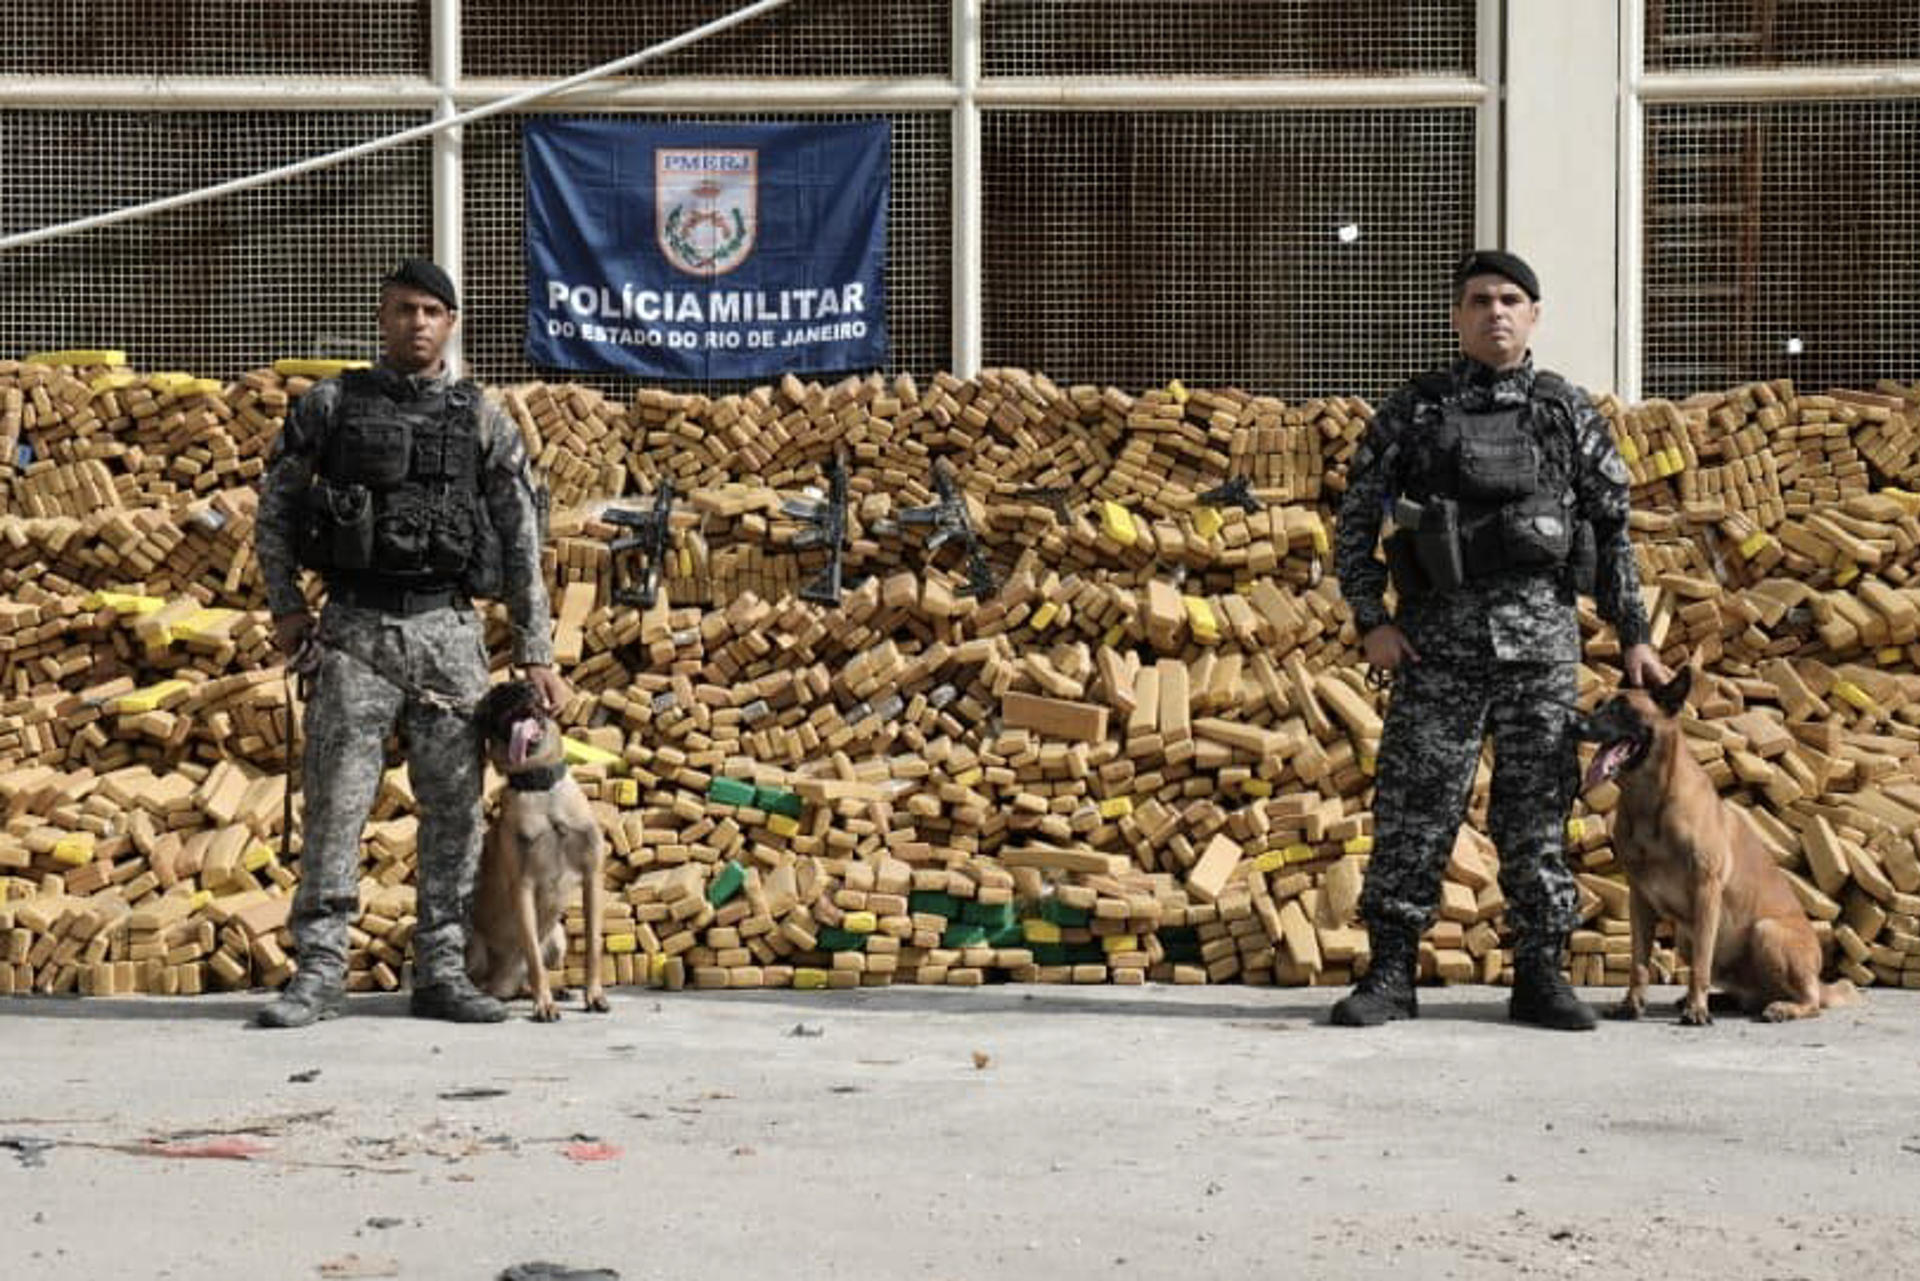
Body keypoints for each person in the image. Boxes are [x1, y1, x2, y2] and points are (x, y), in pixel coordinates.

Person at [1329, 249, 1669, 1031]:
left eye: (1512, 299)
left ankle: (1541, 974)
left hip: (1542, 651)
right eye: (1480, 299)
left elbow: (1612, 531)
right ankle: (1389, 973)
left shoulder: (1565, 413)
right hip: (1435, 648)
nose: (1496, 312)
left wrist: (1635, 636)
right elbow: (1355, 521)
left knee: (1537, 815)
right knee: (1416, 811)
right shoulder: (1413, 411)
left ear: (1535, 315)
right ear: (1456, 315)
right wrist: (1371, 620)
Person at [253, 259, 568, 1026]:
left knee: (455, 811)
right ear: (381, 318)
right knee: (336, 802)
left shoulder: (483, 419)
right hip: (356, 629)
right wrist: (288, 608)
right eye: (402, 309)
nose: (417, 323)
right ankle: (320, 971)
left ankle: (442, 971)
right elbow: (278, 508)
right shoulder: (330, 406)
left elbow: (522, 534)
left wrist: (536, 648)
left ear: (451, 323)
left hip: (449, 633)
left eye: (431, 310)